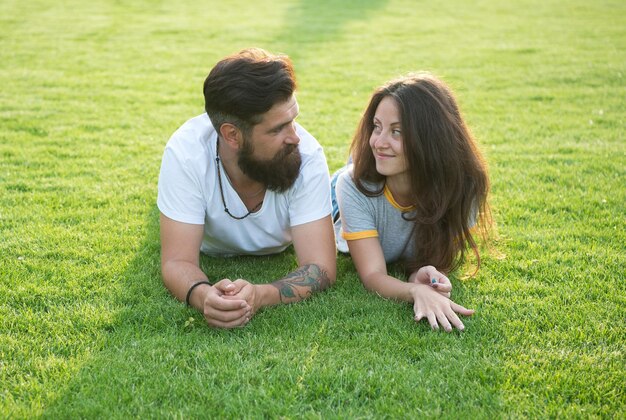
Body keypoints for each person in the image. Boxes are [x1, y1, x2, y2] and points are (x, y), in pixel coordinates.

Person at [157, 48, 336, 329]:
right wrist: (204, 297)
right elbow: (176, 260)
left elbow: (321, 266)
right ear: (232, 135)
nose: (295, 137)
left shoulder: (307, 156)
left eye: (294, 120)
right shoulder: (186, 153)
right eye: (278, 129)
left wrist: (260, 295)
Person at [333, 72, 491, 332]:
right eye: (376, 126)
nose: (379, 141)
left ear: (431, 139)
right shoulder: (353, 187)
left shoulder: (465, 187)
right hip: (344, 195)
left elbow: (433, 250)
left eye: (397, 131)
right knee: (350, 172)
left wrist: (423, 274)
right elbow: (373, 275)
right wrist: (414, 291)